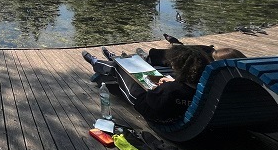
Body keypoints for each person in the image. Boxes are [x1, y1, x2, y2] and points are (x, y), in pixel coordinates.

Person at [83, 45, 242, 123]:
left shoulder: (171, 90)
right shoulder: (229, 87)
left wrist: (163, 86)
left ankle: (103, 62)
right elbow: (187, 90)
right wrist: (177, 83)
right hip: (187, 105)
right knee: (137, 68)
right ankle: (112, 60)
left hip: (150, 104)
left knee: (122, 69)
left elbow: (153, 99)